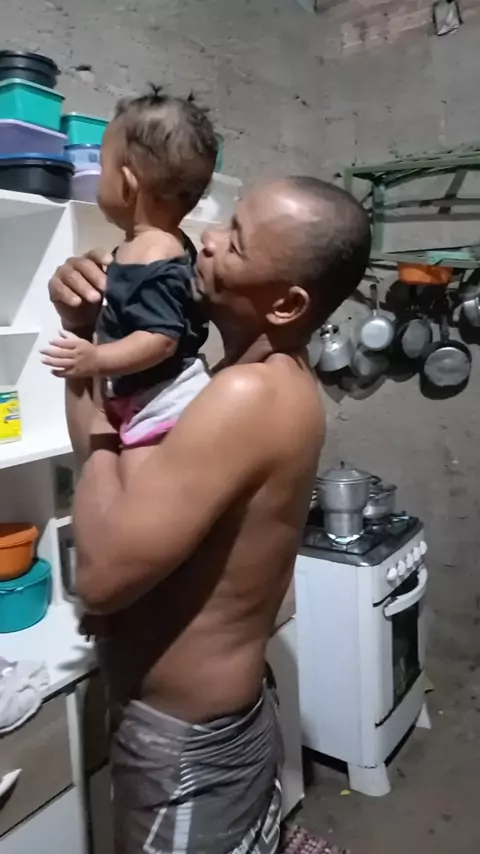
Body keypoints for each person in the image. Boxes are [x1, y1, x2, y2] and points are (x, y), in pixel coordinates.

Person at [48, 176, 371, 854]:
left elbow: (101, 577)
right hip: (206, 724)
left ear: (286, 303)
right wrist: (94, 334)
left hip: (186, 744)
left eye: (237, 242)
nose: (209, 240)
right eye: (225, 222)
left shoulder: (246, 395)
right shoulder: (254, 378)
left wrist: (85, 361)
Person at [42, 88, 216, 478]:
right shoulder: (155, 244)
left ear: (125, 183)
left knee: (133, 481)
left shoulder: (153, 253)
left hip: (163, 401)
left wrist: (95, 359)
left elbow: (161, 337)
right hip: (142, 392)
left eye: (101, 165)